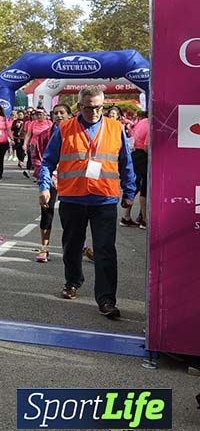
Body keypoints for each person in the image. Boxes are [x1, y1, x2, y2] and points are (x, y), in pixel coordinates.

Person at [38, 86, 136, 319]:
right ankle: (72, 281)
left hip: (104, 199)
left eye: (99, 107)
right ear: (79, 106)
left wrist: (130, 191)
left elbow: (126, 162)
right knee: (72, 246)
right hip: (73, 198)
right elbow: (47, 161)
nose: (94, 112)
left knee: (105, 250)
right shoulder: (64, 129)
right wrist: (44, 187)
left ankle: (106, 299)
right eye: (89, 107)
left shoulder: (115, 128)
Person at [29, 105, 69, 262]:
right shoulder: (44, 135)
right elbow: (38, 159)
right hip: (50, 179)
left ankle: (78, 246)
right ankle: (44, 248)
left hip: (72, 180)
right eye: (56, 113)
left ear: (69, 115)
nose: (58, 115)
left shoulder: (77, 133)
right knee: (47, 211)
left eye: (62, 113)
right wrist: (47, 179)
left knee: (73, 215)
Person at [122, 111, 148, 229]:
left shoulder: (141, 122)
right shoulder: (150, 124)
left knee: (135, 185)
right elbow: (147, 146)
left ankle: (126, 217)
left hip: (135, 154)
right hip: (143, 155)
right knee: (145, 187)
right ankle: (144, 219)